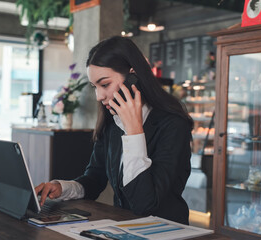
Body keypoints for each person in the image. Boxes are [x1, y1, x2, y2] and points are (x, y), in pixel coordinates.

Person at [35, 36, 193, 225]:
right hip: (127, 227)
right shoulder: (112, 123)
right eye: (95, 87)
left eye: (105, 84)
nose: (99, 96)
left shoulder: (173, 125)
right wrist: (62, 187)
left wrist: (134, 131)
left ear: (133, 76)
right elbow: (94, 179)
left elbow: (144, 205)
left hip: (167, 231)